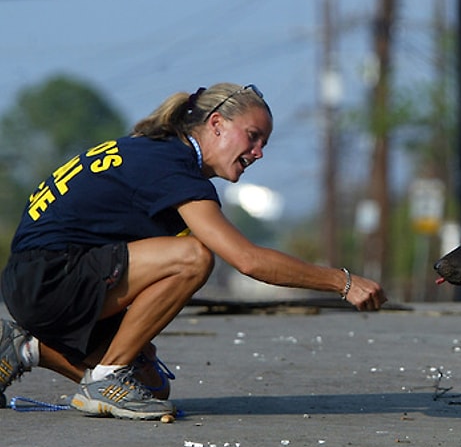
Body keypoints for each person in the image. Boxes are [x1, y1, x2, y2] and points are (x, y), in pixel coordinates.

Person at [0, 82, 387, 420]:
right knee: (195, 256)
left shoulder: (158, 153)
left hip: (40, 280)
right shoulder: (170, 164)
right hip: (48, 279)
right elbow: (247, 260)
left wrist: (136, 334)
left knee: (151, 389)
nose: (258, 152)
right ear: (216, 123)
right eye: (252, 136)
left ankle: (24, 348)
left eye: (264, 143)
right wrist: (343, 282)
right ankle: (106, 377)